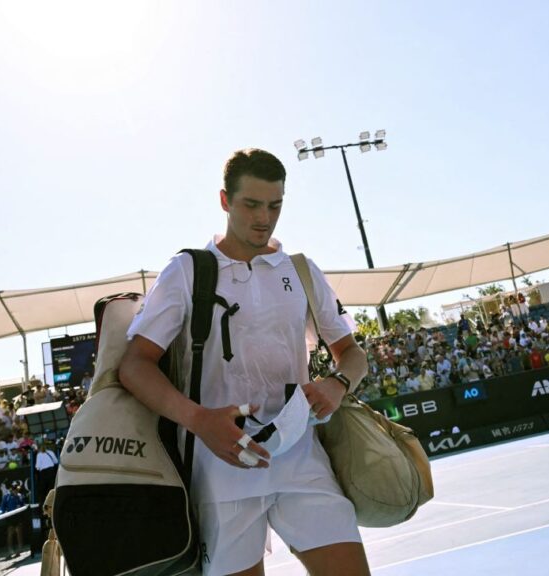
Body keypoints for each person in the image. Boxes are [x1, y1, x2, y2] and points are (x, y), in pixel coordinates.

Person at [120, 148, 370, 576]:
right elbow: (134, 366)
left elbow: (353, 354)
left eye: (275, 206)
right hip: (220, 468)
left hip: (301, 459)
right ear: (225, 201)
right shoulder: (186, 270)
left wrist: (338, 384)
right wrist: (199, 420)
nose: (264, 218)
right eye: (251, 204)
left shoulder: (300, 270)